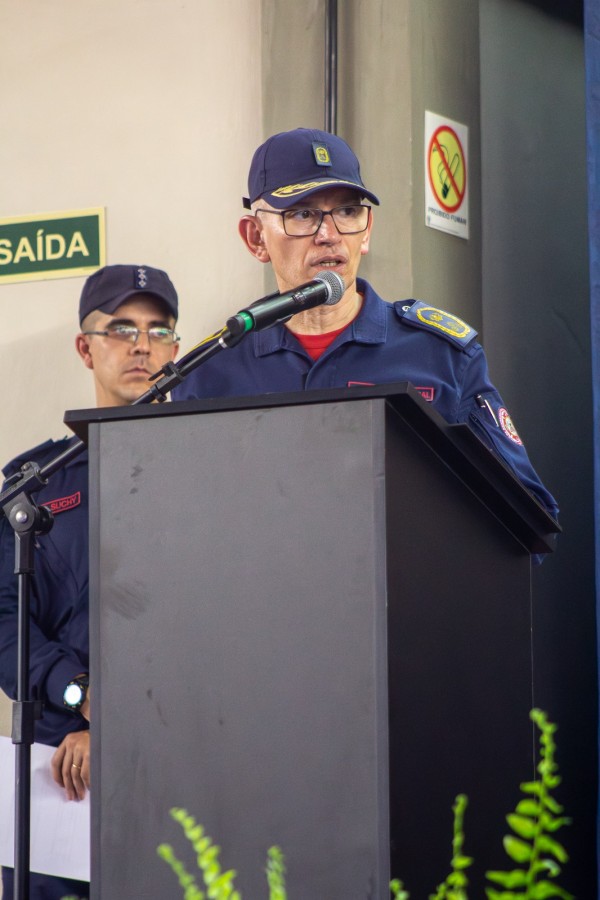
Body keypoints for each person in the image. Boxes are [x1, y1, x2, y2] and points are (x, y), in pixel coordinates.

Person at [172, 126, 558, 521]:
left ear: (367, 230)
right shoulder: (209, 373)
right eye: (303, 214)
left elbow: (528, 515)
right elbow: (178, 520)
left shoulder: (441, 356)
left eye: (347, 212)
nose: (329, 234)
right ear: (256, 238)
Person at [0, 264, 180, 900]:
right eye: (122, 328)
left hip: (181, 750)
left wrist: (116, 720)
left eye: (160, 332)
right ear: (86, 347)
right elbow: (5, 618)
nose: (142, 346)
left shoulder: (212, 467)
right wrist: (79, 696)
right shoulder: (36, 482)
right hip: (59, 768)